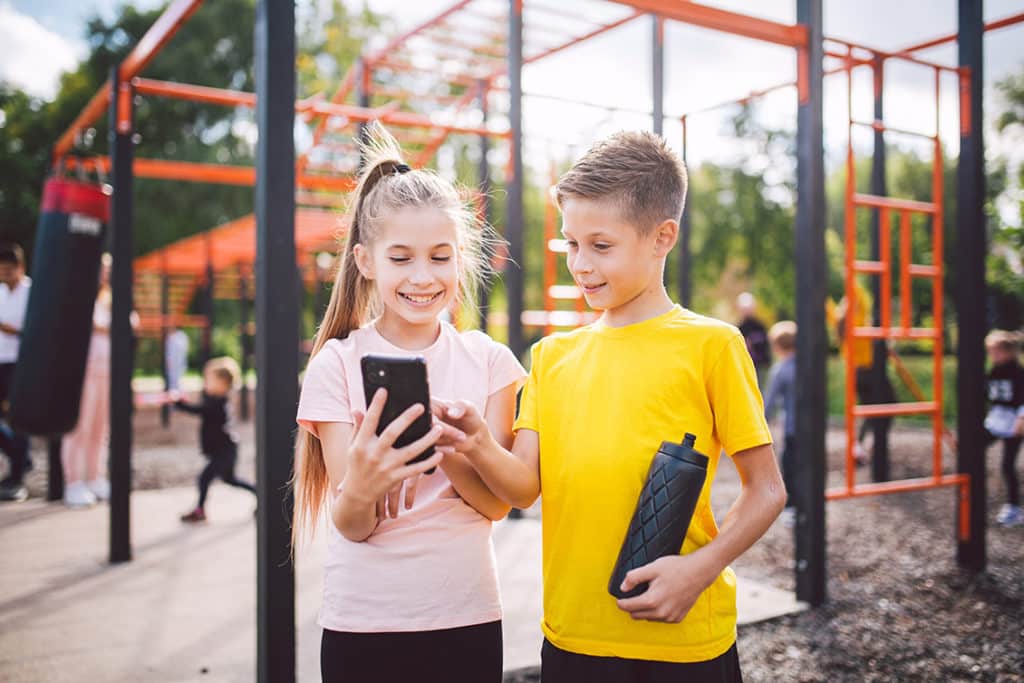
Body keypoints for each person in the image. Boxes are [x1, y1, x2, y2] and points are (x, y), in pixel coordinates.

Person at [436, 131, 786, 682]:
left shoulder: (713, 346)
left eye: (601, 246)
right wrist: (477, 444)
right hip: (572, 640)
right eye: (571, 245)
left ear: (661, 237)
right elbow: (525, 487)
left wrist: (698, 570)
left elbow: (767, 489)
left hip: (685, 643)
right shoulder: (551, 357)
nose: (581, 264)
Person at [292, 123, 524, 683]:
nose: (423, 277)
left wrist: (455, 448)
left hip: (467, 616)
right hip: (364, 625)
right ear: (366, 262)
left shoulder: (490, 362)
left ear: (462, 258)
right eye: (402, 259)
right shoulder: (336, 367)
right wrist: (368, 479)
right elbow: (354, 525)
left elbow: (497, 506)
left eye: (440, 257)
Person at [61, 254, 114, 507]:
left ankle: (95, 477)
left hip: (106, 371)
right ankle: (73, 481)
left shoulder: (108, 299)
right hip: (84, 371)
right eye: (101, 269)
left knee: (100, 429)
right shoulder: (76, 296)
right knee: (78, 428)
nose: (105, 274)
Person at [175, 356, 256, 522]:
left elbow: (201, 410)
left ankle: (200, 510)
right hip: (222, 451)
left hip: (225, 451)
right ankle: (260, 493)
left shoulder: (219, 404)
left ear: (223, 384)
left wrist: (181, 405)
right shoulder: (212, 399)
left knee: (205, 478)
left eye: (210, 380)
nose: (206, 383)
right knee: (231, 480)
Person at [827, 281, 894, 467]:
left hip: (855, 374)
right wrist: (851, 279)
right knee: (887, 407)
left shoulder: (838, 323)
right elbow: (861, 297)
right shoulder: (857, 322)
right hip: (872, 372)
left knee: (868, 411)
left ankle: (858, 446)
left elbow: (827, 306)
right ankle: (872, 444)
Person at [0, 243, 32, 503]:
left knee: (19, 417)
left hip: (21, 362)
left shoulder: (32, 292)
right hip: (0, 360)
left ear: (20, 268)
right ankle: (21, 456)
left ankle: (17, 474)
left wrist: (14, 332)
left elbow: (38, 329)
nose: (5, 276)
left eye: (9, 271)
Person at [984, 330, 1024, 527]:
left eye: (996, 351)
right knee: (972, 449)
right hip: (995, 420)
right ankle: (975, 490)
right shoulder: (994, 370)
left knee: (1008, 465)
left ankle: (1014, 507)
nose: (993, 356)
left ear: (1009, 352)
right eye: (990, 352)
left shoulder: (1018, 372)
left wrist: (1021, 420)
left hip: (1013, 422)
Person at [763, 321, 798, 528]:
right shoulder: (809, 366)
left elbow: (769, 402)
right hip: (811, 430)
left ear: (777, 347)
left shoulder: (781, 370)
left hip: (792, 428)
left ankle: (791, 508)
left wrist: (763, 426)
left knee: (789, 466)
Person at [736, 292, 771, 386]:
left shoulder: (760, 326)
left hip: (759, 366)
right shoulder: (738, 328)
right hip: (743, 366)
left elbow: (765, 346)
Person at [165, 327, 189, 391]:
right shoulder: (170, 338)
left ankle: (177, 392)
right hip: (173, 362)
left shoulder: (181, 337)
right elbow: (169, 352)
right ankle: (174, 391)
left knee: (178, 378)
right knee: (172, 378)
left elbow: (183, 349)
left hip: (179, 362)